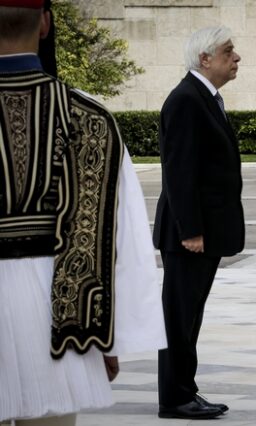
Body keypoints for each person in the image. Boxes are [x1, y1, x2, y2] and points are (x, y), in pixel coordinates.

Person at [0, 1, 166, 425]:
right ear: (44, 23)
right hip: (60, 314)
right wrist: (107, 335)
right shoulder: (88, 116)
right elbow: (115, 236)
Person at [153, 25, 244, 420]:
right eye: (228, 52)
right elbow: (178, 170)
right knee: (179, 318)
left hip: (202, 232)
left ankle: (185, 390)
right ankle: (175, 398)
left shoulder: (205, 97)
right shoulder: (186, 100)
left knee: (190, 317)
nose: (236, 58)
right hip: (188, 235)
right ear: (205, 59)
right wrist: (190, 229)